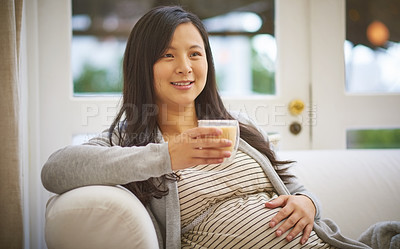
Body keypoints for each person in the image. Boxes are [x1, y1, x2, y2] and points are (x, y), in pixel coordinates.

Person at [41, 6, 369, 249]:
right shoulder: (127, 141)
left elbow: (297, 189)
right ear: (143, 65)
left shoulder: (239, 126)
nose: (184, 67)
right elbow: (55, 170)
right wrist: (167, 155)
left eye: (194, 54)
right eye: (167, 55)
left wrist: (308, 204)